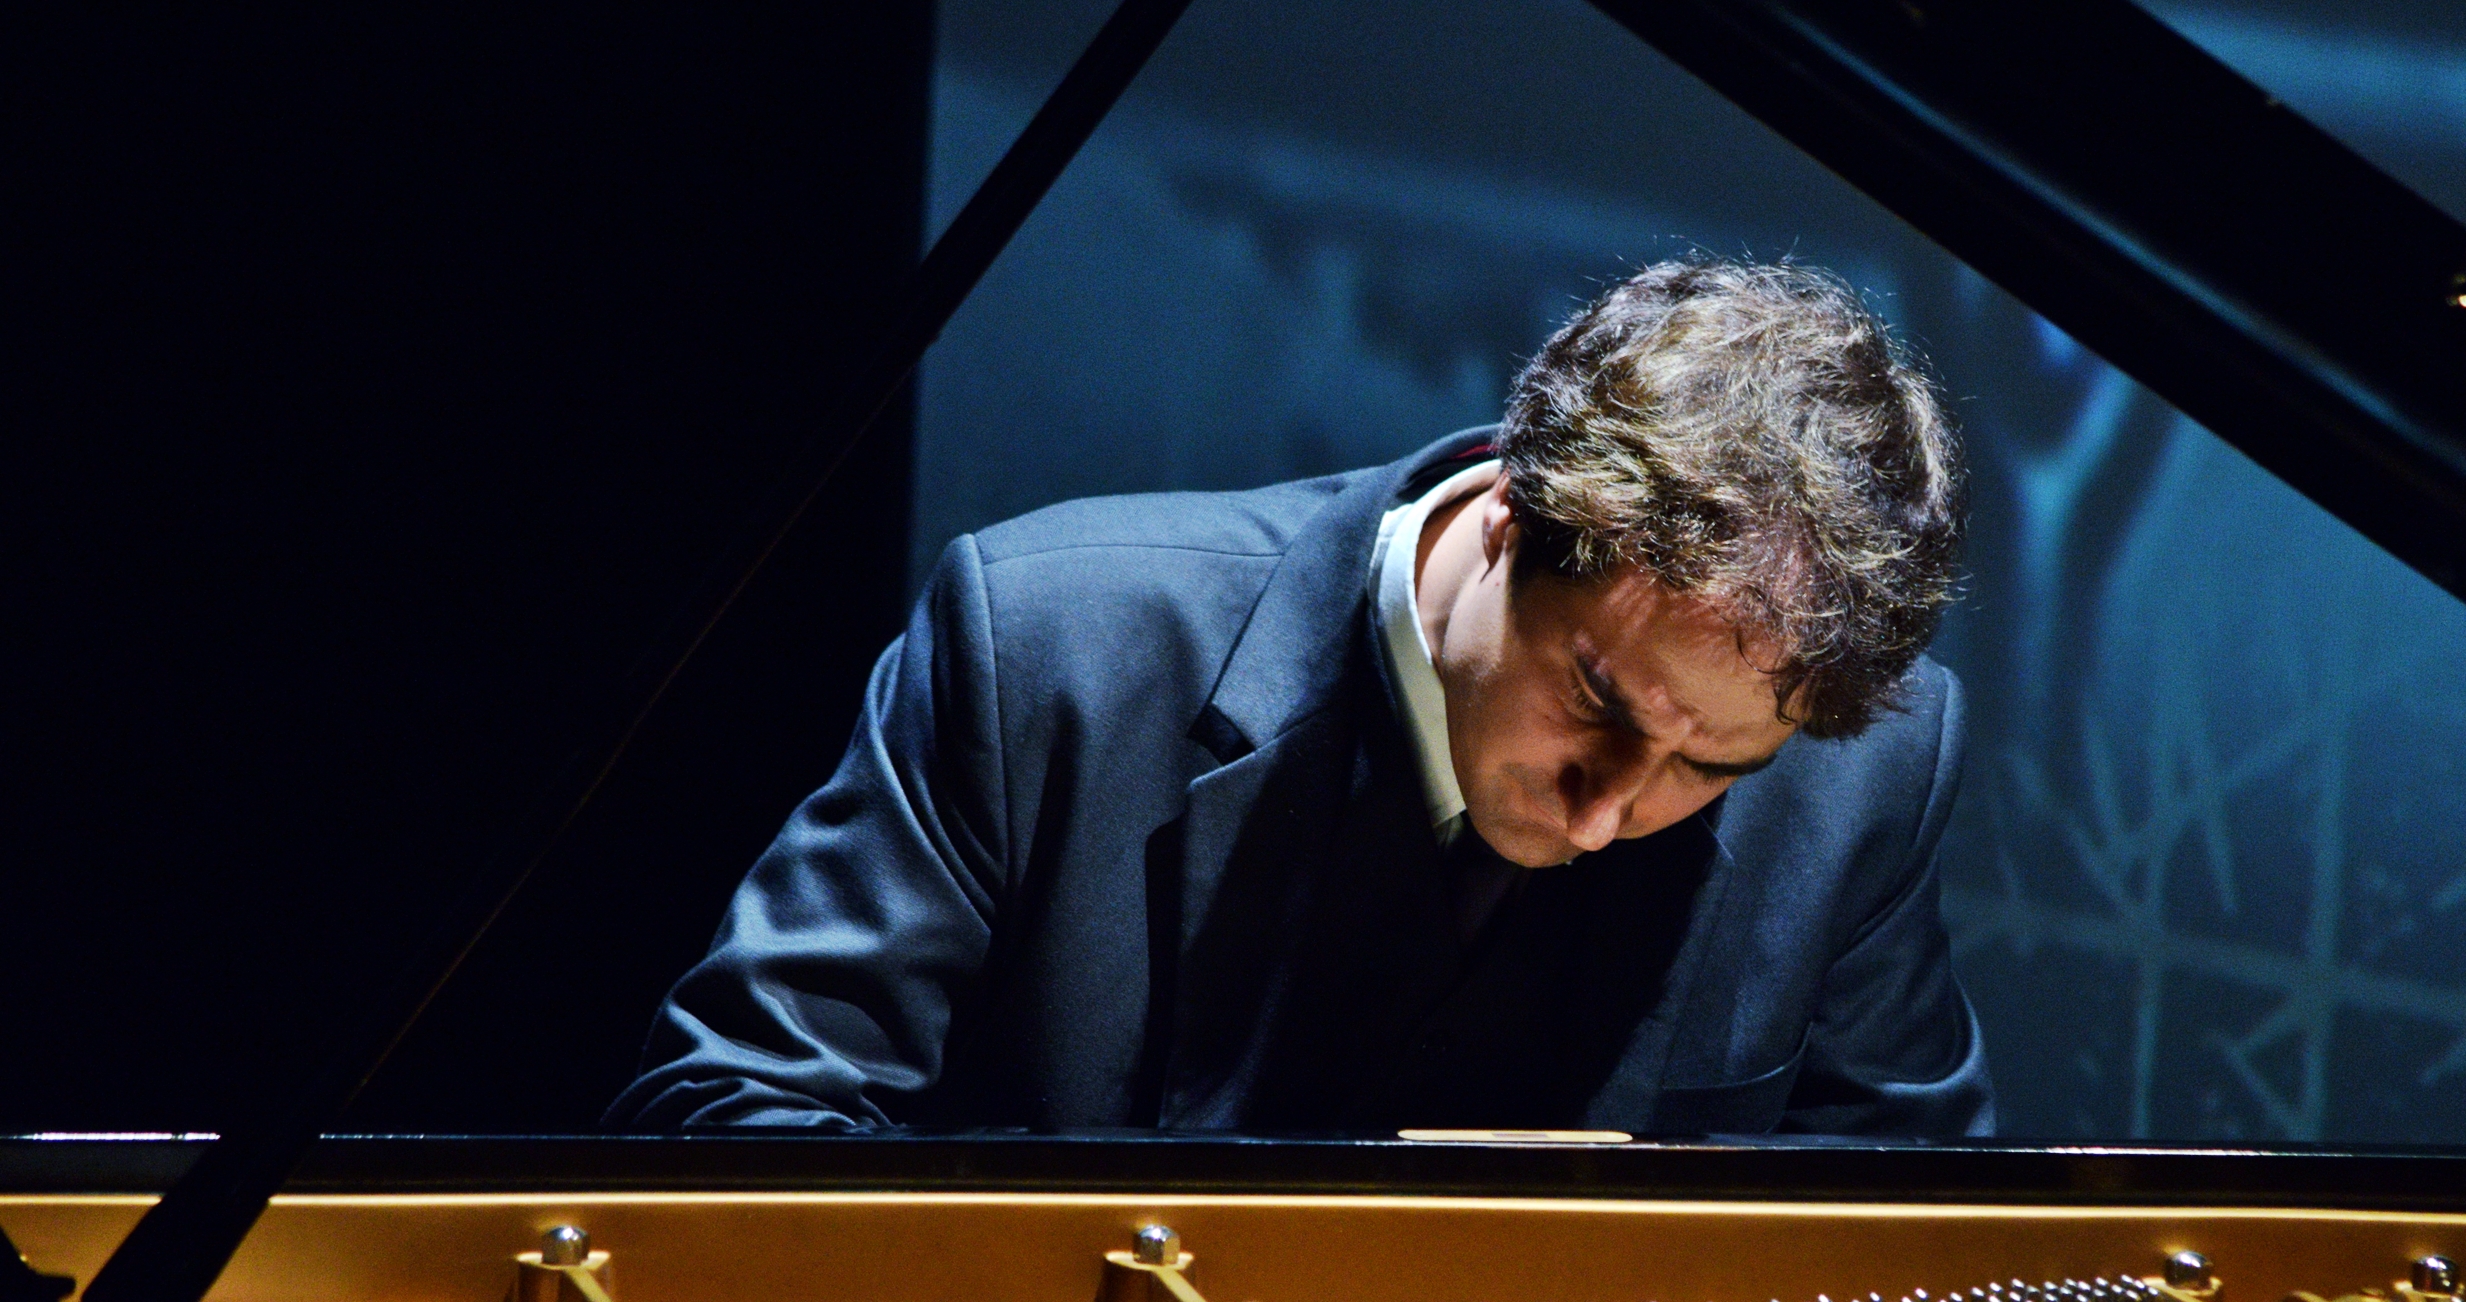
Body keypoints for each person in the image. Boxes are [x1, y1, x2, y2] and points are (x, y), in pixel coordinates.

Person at [607, 259, 1992, 1136]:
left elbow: (1907, 1224)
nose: (1602, 816)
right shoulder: (1047, 649)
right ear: (1513, 518)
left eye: (1708, 770)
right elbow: (731, 1109)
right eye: (1600, 704)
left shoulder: (1865, 768)